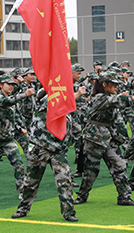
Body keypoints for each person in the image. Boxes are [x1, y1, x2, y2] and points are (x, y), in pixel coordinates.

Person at [12, 86, 86, 222]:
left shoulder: (66, 106)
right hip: (40, 147)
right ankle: (23, 208)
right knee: (31, 182)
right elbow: (54, 101)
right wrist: (77, 94)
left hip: (58, 149)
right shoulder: (45, 98)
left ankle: (68, 212)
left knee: (65, 179)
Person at [74, 71, 134, 206]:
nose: (116, 86)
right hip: (95, 138)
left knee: (119, 165)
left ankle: (124, 196)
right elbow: (115, 100)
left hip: (108, 138)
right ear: (104, 84)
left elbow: (117, 104)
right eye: (113, 84)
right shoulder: (99, 98)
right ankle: (82, 195)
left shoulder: (108, 96)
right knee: (91, 170)